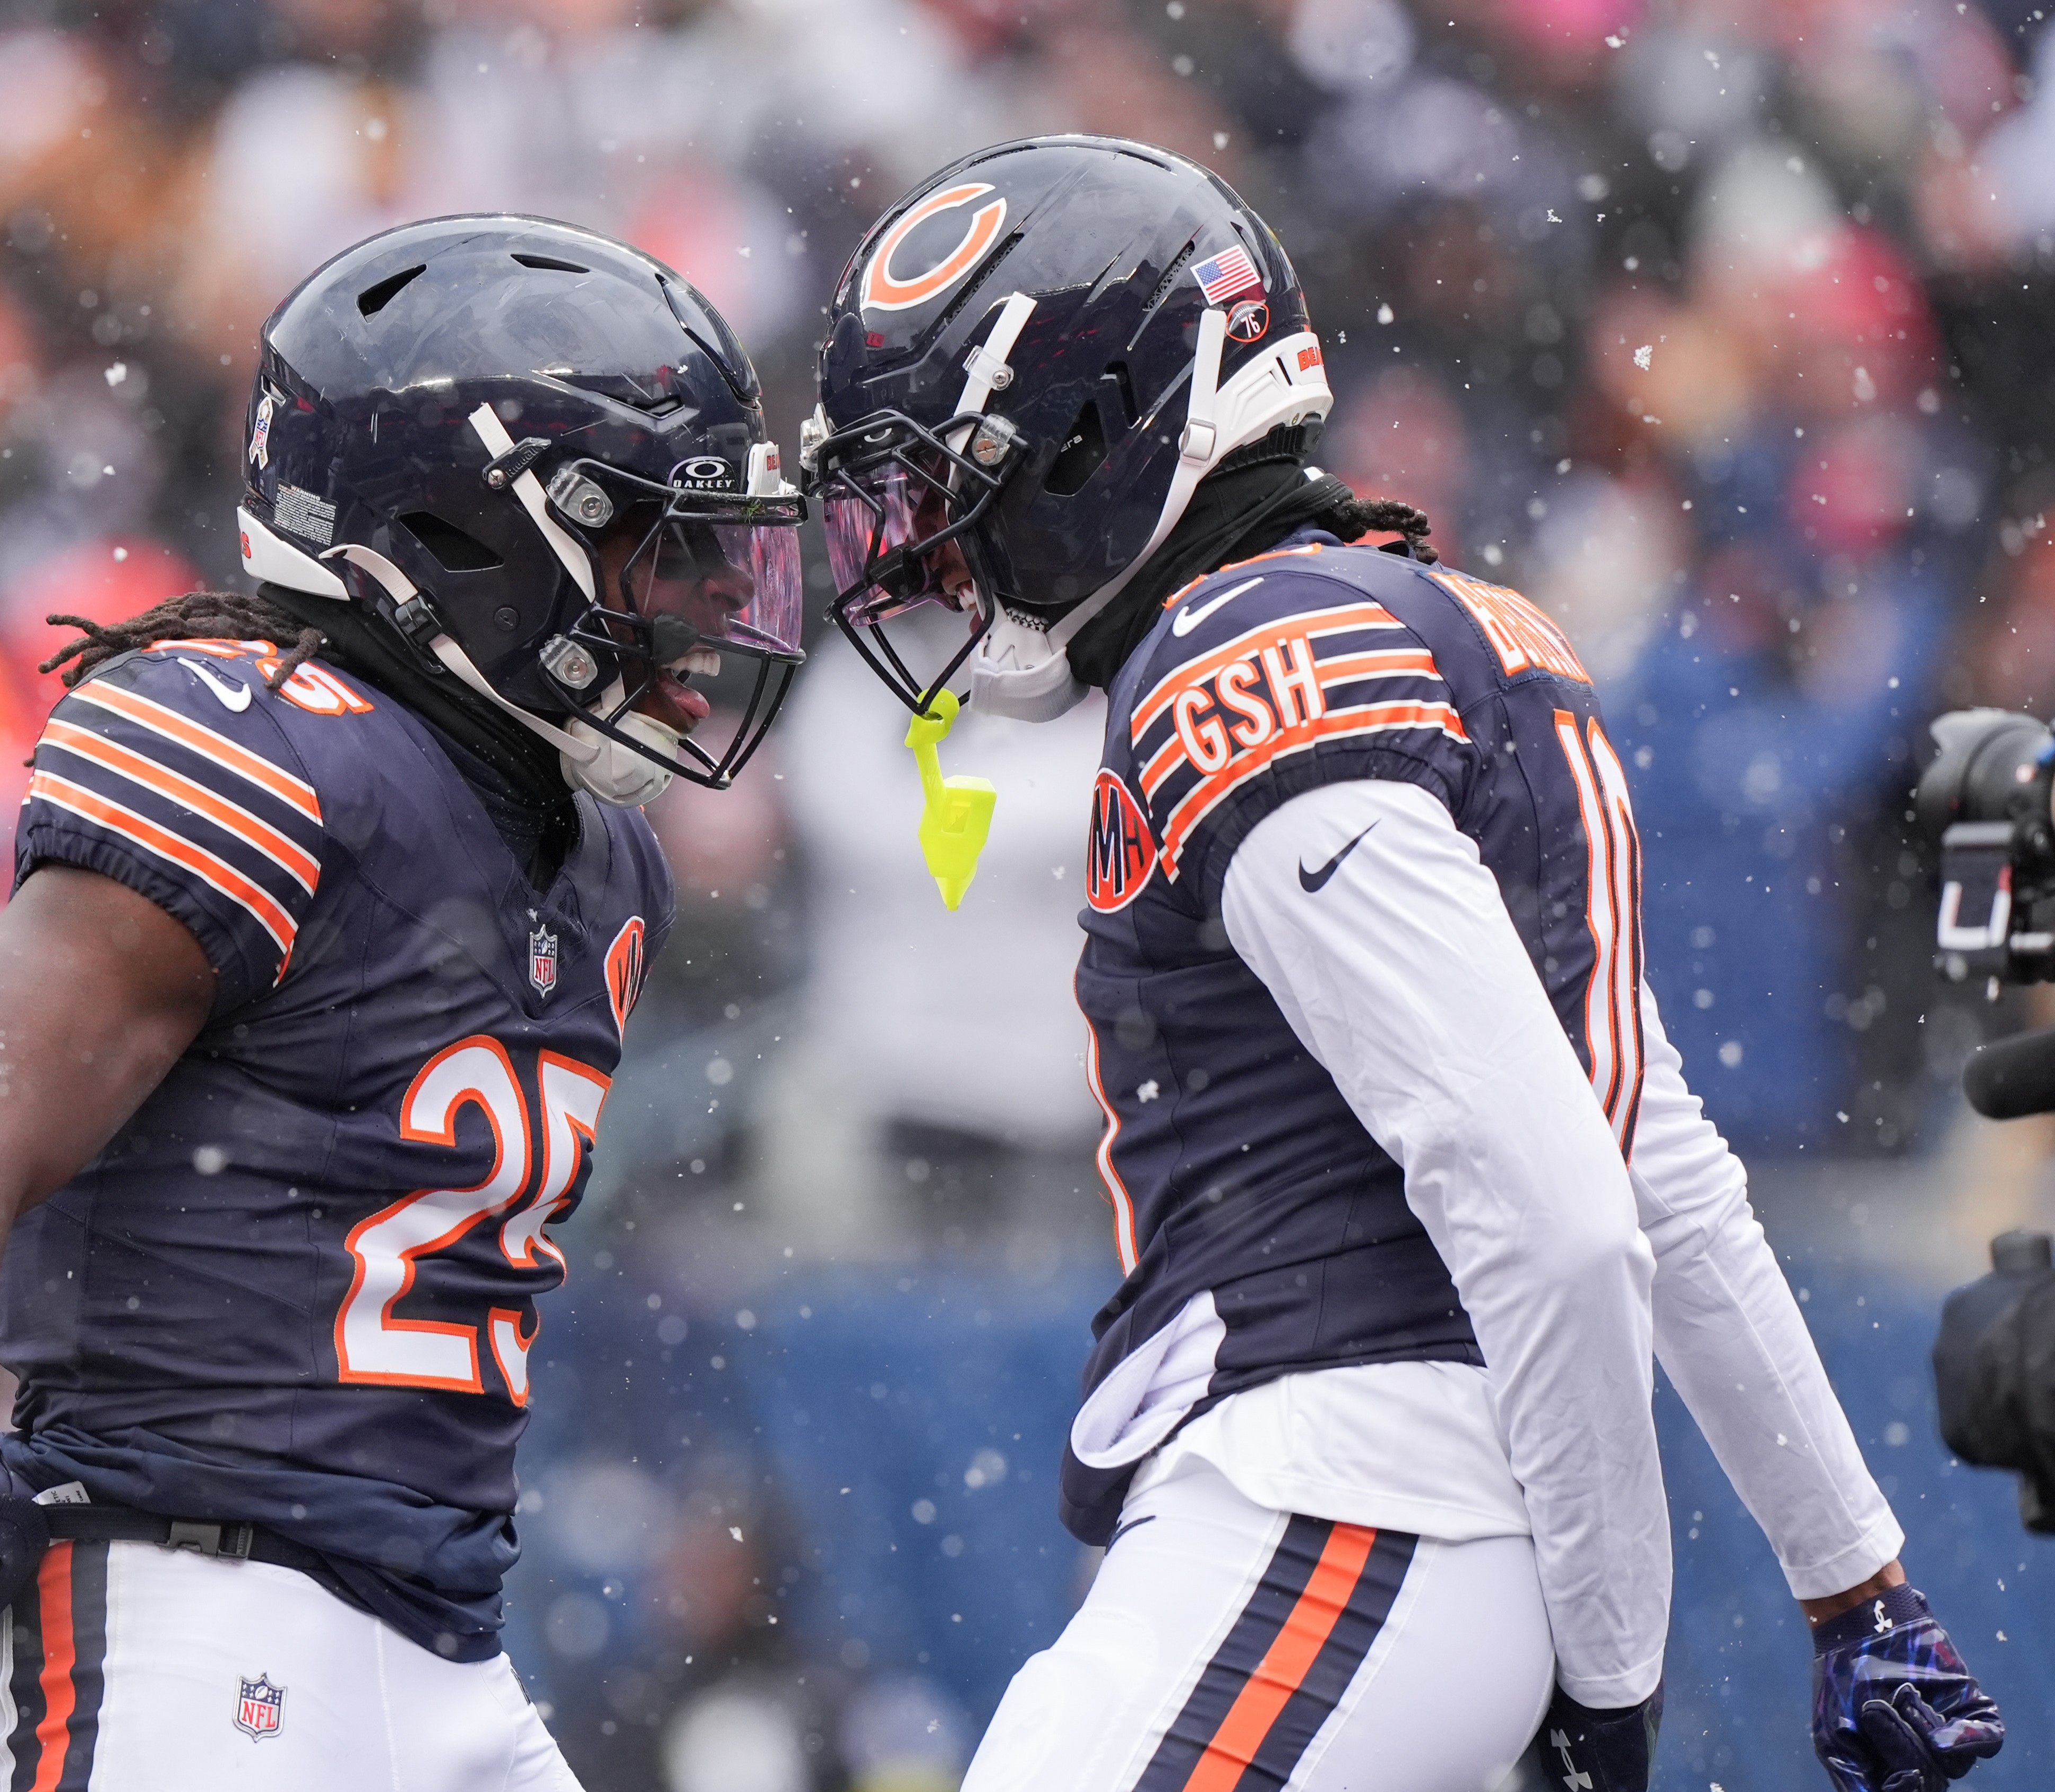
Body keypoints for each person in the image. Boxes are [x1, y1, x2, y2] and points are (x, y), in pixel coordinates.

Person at [0, 215, 806, 1792]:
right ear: (461, 533)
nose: (714, 593)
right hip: (189, 1608)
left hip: (440, 1628)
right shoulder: (261, 740)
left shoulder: (601, 857)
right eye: (659, 542)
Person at [799, 135, 2004, 1792]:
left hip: (1347, 1498)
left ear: (1094, 436)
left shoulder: (1248, 656)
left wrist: (1609, 1676)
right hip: (1377, 1516)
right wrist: (1851, 1580)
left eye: (955, 493)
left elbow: (1568, 1224)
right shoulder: (1457, 624)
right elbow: (1659, 1172)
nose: (928, 559)